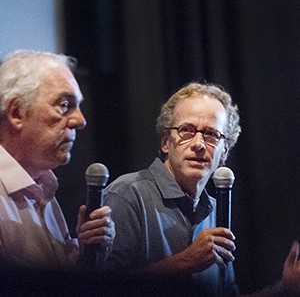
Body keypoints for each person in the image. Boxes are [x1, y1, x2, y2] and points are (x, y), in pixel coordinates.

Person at [103, 82, 300, 296]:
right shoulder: (127, 195)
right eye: (186, 130)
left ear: (224, 151)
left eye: (211, 134)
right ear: (165, 142)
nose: (199, 144)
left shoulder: (215, 211)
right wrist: (186, 260)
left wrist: (284, 289)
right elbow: (99, 288)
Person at [0, 50, 115, 275]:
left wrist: (88, 256)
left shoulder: (43, 184)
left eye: (78, 106)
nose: (80, 121)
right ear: (16, 113)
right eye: (64, 105)